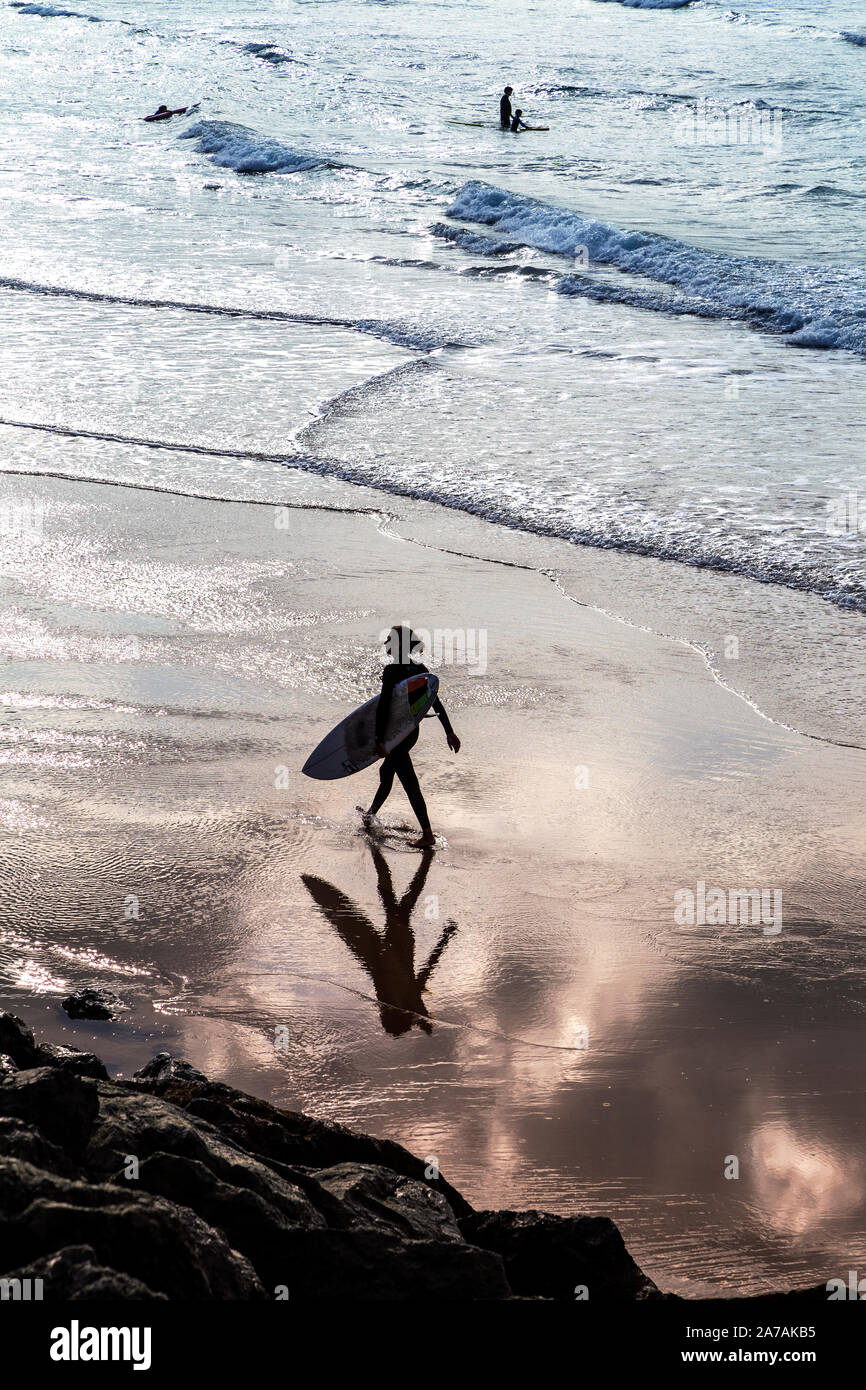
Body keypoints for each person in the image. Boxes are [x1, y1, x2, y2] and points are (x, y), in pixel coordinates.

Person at [360, 624, 460, 849]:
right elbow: (435, 701)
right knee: (386, 771)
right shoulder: (419, 668)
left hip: (396, 735)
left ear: (396, 644)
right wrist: (449, 731)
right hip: (410, 732)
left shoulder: (392, 671)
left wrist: (379, 740)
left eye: (389, 639)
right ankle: (370, 815)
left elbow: (384, 707)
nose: (386, 642)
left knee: (409, 782)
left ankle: (427, 834)